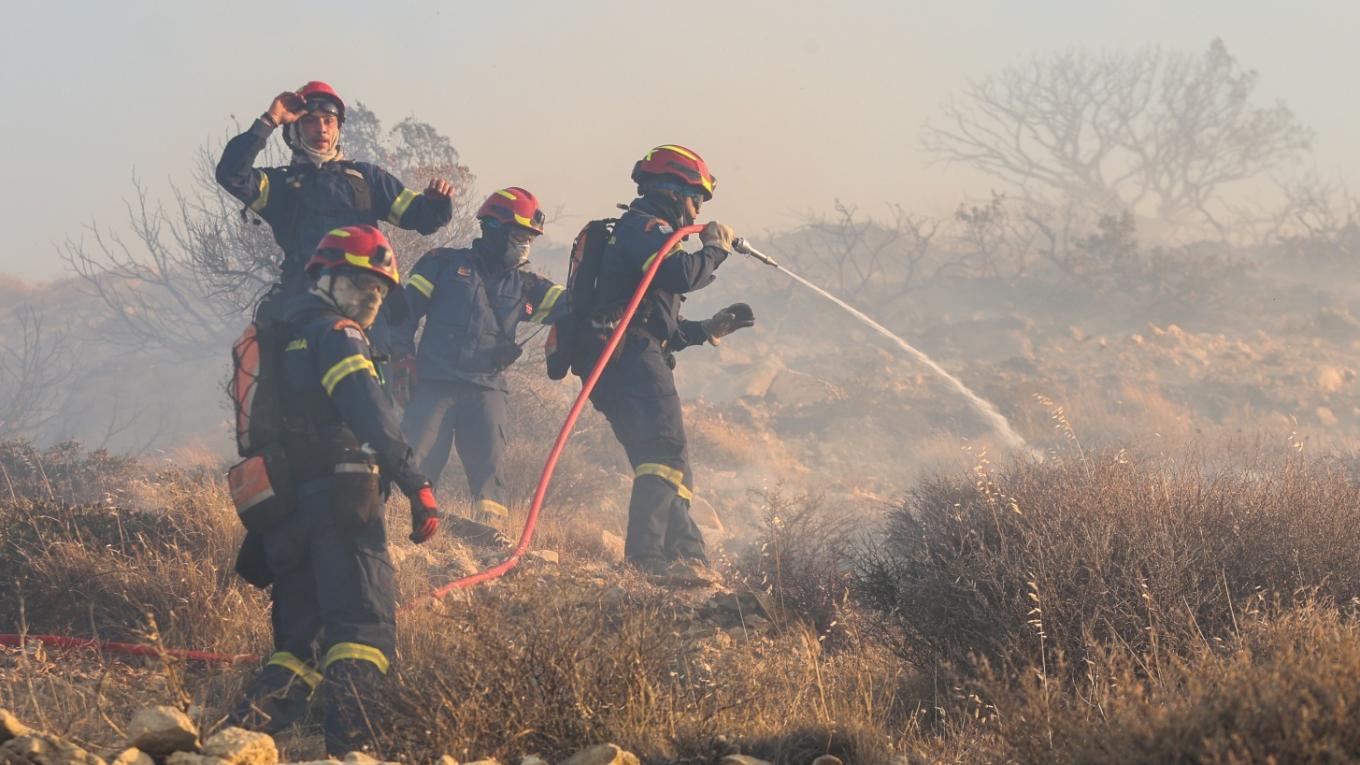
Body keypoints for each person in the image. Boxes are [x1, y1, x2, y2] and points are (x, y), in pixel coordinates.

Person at [229, 225, 442, 757]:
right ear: (325, 278)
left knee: (297, 646)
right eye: (362, 284)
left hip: (286, 506)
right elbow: (368, 411)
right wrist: (416, 482)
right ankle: (356, 750)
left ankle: (229, 745)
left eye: (381, 290)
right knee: (362, 632)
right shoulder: (337, 335)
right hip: (342, 503)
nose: (372, 298)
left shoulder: (283, 334)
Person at [584, 145, 755, 580]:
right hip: (632, 360)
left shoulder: (645, 234)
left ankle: (688, 557)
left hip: (623, 358)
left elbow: (662, 327)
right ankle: (646, 558)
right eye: (696, 198)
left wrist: (707, 330)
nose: (697, 210)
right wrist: (715, 249)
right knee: (665, 452)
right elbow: (680, 274)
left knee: (666, 463)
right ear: (673, 191)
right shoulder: (644, 228)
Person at [392, 188, 568, 546]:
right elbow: (402, 315)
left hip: (487, 389)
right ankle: (403, 534)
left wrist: (604, 288)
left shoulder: (526, 286)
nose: (525, 246)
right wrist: (401, 358)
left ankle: (491, 543)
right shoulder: (441, 264)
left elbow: (573, 307)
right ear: (493, 228)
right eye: (519, 236)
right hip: (434, 384)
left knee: (490, 471)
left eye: (530, 239)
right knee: (417, 460)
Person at [214, 80, 455, 341]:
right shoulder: (280, 186)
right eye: (310, 121)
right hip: (304, 311)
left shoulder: (367, 178)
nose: (321, 129)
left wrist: (437, 202)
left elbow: (422, 217)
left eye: (329, 121)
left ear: (338, 126)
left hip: (367, 314)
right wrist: (270, 120)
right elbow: (231, 174)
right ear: (294, 128)